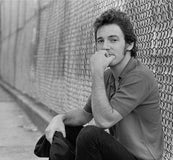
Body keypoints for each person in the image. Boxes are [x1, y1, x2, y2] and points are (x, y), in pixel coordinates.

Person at [44, 8, 163, 160]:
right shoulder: (108, 76)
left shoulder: (139, 76)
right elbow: (84, 115)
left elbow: (104, 121)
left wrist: (96, 72)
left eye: (113, 40)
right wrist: (59, 118)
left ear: (129, 44)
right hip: (119, 153)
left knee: (90, 136)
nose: (105, 46)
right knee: (65, 130)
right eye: (100, 41)